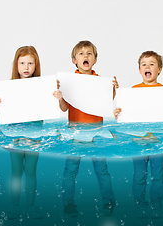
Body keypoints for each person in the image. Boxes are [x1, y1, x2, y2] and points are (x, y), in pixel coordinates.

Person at [54, 40, 118, 217]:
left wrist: (113, 90)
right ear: (74, 60)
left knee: (102, 170)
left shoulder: (100, 81)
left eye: (89, 53)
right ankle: (68, 203)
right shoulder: (69, 82)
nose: (86, 56)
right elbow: (64, 108)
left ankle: (109, 202)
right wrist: (60, 96)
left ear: (95, 59)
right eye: (81, 54)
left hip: (97, 132)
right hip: (75, 133)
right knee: (70, 170)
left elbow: (106, 103)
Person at [114, 51, 163, 219]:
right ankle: (140, 205)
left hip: (159, 142)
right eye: (144, 64)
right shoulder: (133, 91)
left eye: (151, 64)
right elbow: (125, 115)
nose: (147, 67)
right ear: (139, 70)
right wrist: (118, 113)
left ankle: (156, 204)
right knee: (139, 176)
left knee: (158, 176)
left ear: (159, 69)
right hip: (138, 141)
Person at [0, 46, 47, 219]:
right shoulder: (9, 88)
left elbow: (48, 106)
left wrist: (54, 95)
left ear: (35, 65)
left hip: (34, 136)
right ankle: (14, 207)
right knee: (16, 172)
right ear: (16, 65)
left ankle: (30, 207)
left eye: (30, 63)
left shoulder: (41, 86)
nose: (26, 67)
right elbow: (6, 110)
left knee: (30, 171)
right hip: (15, 136)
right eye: (22, 63)